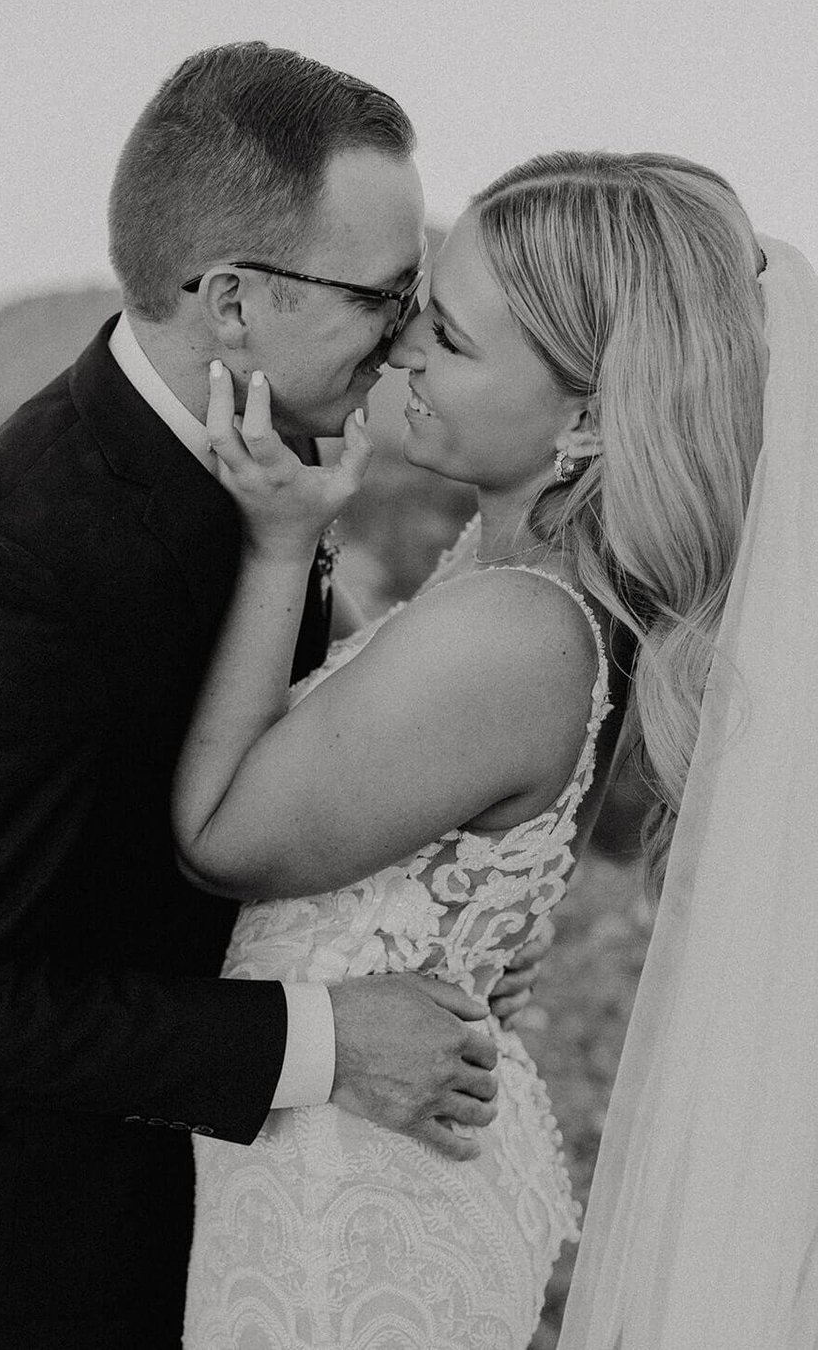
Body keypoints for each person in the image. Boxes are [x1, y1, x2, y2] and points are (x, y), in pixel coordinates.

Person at [0, 44, 546, 1349]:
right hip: (39, 1249)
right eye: (383, 296)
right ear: (228, 301)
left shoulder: (276, 459)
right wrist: (327, 1035)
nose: (407, 336)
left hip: (236, 1219)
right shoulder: (14, 557)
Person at [172, 151, 775, 1348]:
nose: (401, 352)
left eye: (446, 336)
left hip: (348, 1224)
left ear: (591, 414)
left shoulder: (510, 629)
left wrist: (278, 547)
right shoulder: (509, 577)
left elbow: (218, 837)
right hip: (345, 1158)